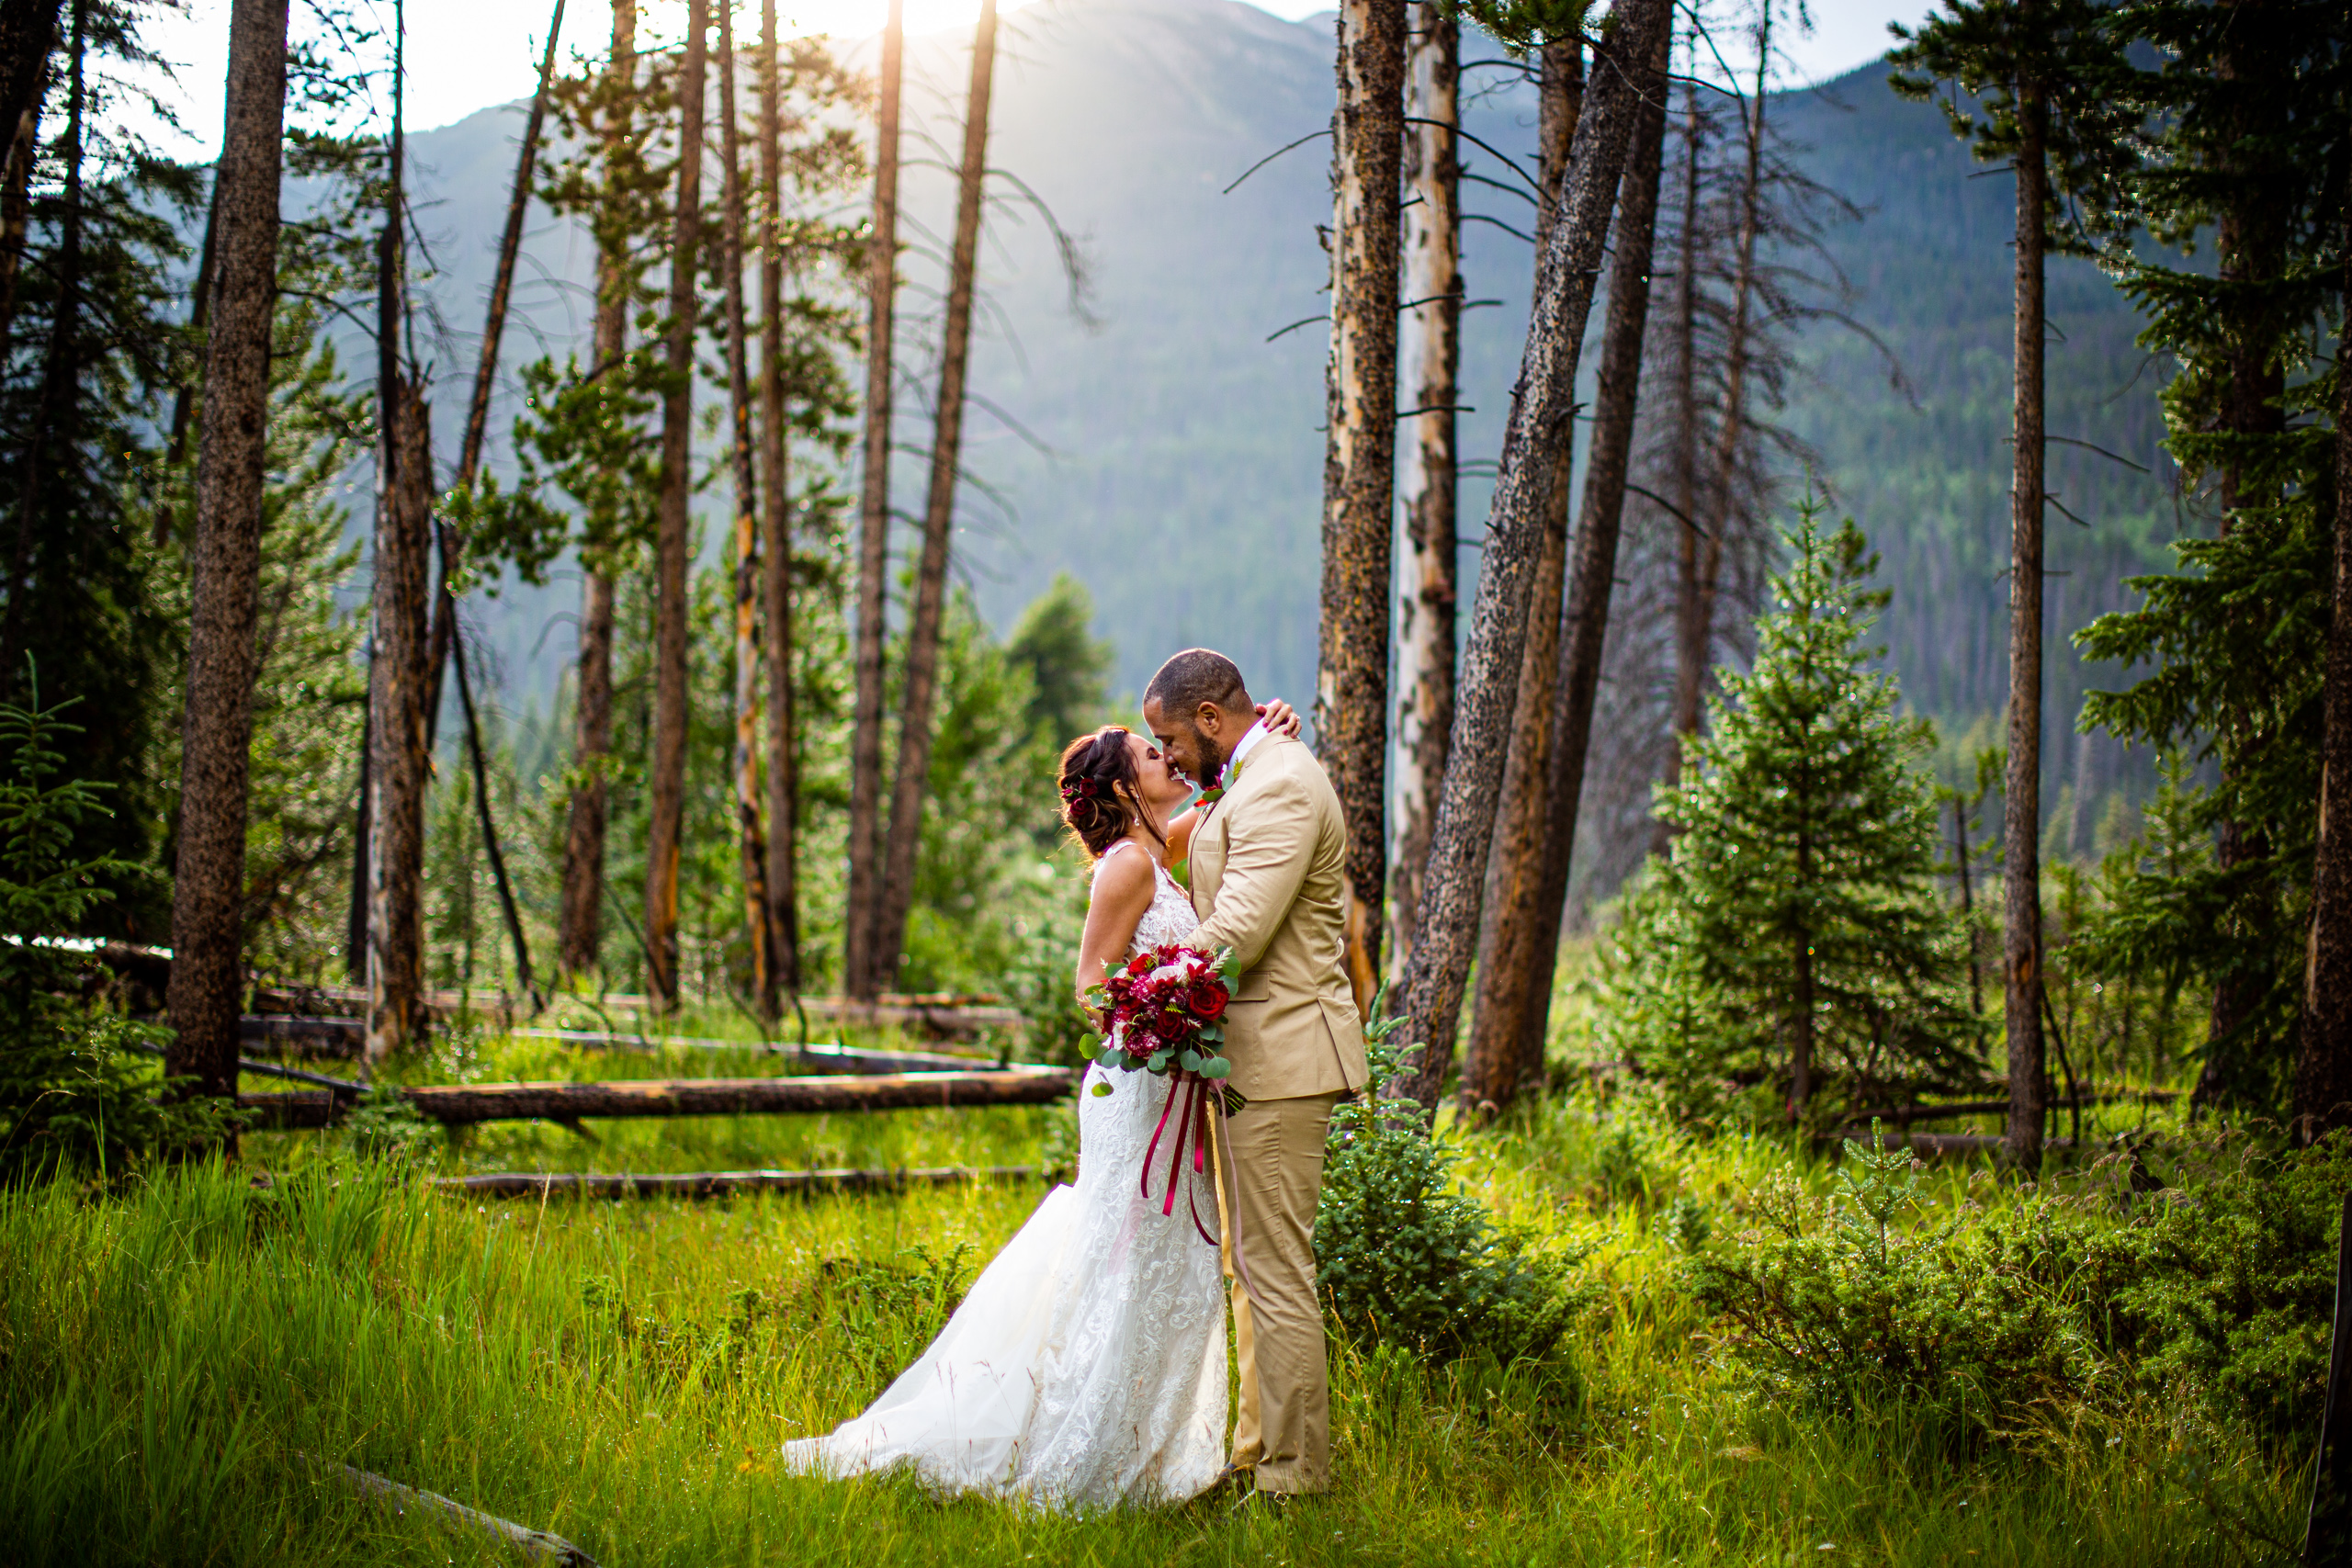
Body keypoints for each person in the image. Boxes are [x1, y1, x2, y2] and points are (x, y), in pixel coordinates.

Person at [781, 698, 1302, 1510]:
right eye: (1148, 752)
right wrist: (1162, 1012)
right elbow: (1092, 985)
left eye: (1166, 747)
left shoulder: (1162, 852)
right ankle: (1088, 1452)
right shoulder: (1127, 867)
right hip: (1141, 1090)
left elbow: (1226, 780)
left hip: (1173, 1085)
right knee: (1128, 1264)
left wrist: (1265, 731)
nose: (1168, 757)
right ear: (1125, 787)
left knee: (1167, 1267)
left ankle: (1153, 1450)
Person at [1142, 649, 1368, 1502]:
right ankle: (1254, 1453)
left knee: (1275, 1271)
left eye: (1170, 739)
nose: (1165, 758)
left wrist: (1141, 993)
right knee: (1253, 1265)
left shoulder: (1277, 781)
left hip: (1282, 1058)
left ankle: (1295, 1476)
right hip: (1257, 1058)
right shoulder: (1254, 770)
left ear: (1209, 718)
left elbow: (1239, 927)